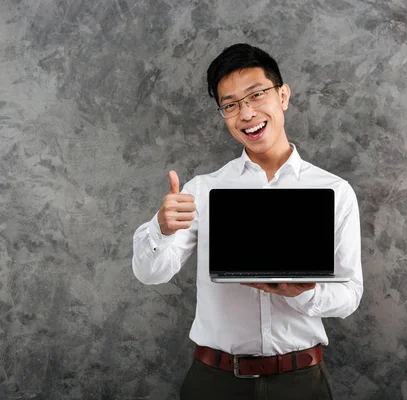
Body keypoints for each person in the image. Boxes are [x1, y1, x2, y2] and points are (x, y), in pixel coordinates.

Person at [132, 43, 363, 400]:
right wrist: (160, 229)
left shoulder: (334, 191)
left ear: (283, 95)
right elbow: (151, 274)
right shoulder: (203, 190)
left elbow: (350, 295)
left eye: (256, 95)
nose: (246, 113)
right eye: (231, 105)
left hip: (301, 381)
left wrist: (303, 293)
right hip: (216, 381)